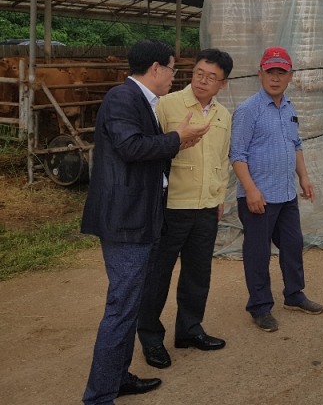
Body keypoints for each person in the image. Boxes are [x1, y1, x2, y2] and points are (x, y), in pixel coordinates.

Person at [81, 40, 211, 405]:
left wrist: (176, 143)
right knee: (122, 306)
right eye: (172, 68)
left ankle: (117, 377)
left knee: (131, 301)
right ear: (156, 68)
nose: (174, 76)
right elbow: (131, 147)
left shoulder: (140, 101)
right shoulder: (122, 98)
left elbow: (142, 151)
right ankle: (99, 394)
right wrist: (176, 138)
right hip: (125, 220)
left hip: (140, 215)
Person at [136, 48, 234, 370]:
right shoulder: (168, 105)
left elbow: (222, 159)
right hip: (172, 206)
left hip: (206, 208)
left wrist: (218, 199)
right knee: (158, 275)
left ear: (223, 83)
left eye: (212, 77)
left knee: (197, 274)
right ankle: (151, 338)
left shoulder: (223, 115)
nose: (203, 81)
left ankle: (190, 330)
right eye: (199, 74)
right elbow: (151, 151)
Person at [230, 46, 323, 332]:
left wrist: (304, 177)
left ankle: (294, 294)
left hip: (286, 193)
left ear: (290, 76)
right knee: (258, 252)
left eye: (281, 72)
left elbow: (295, 145)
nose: (275, 78)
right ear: (260, 74)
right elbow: (238, 155)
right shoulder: (249, 110)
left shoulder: (289, 107)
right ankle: (260, 306)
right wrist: (251, 190)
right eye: (270, 72)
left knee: (293, 245)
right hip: (259, 197)